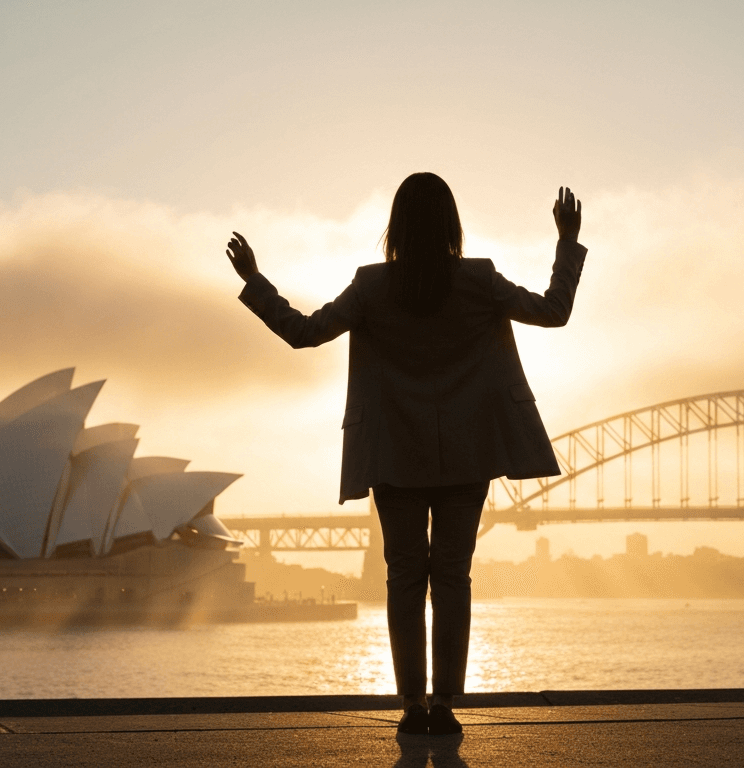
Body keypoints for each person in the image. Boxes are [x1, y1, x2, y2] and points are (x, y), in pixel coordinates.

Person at [227, 173, 585, 735]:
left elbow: (304, 332)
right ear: (451, 223)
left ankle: (412, 705)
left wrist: (254, 280)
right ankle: (444, 704)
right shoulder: (479, 280)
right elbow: (554, 310)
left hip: (394, 456)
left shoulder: (371, 288)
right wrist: (566, 241)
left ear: (395, 225)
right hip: (467, 457)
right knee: (452, 578)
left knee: (403, 578)